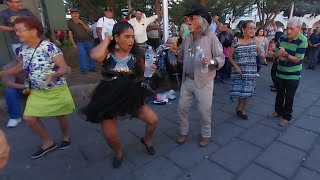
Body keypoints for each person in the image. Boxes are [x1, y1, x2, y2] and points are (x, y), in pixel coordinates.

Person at [81, 22, 159, 168]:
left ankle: (147, 140)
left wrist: (150, 69)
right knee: (110, 135)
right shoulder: (106, 53)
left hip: (132, 95)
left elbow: (144, 72)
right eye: (127, 37)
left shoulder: (136, 55)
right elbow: (95, 56)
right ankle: (118, 152)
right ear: (116, 37)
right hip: (107, 98)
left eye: (132, 37)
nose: (131, 41)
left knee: (153, 120)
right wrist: (106, 40)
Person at [0, 16, 75, 159]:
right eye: (16, 30)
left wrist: (53, 76)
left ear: (33, 31)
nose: (17, 33)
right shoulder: (23, 49)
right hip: (36, 91)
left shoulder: (49, 47)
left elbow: (64, 68)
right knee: (29, 118)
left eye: (20, 30)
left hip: (55, 90)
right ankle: (48, 142)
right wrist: (2, 73)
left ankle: (66, 136)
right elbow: (19, 68)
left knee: (60, 115)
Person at [173, 6, 225, 147]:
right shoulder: (188, 37)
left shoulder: (211, 37)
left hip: (204, 81)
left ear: (202, 22)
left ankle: (206, 134)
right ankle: (183, 131)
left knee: (204, 111)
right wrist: (175, 51)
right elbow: (181, 55)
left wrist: (211, 62)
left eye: (192, 18)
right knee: (182, 108)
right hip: (187, 79)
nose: (188, 22)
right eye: (188, 19)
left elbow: (221, 57)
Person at [269, 17, 308, 127]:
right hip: (280, 71)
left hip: (293, 75)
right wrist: (278, 55)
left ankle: (286, 117)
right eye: (287, 28)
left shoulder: (303, 40)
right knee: (279, 93)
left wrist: (285, 55)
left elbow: (297, 59)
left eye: (292, 29)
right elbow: (275, 53)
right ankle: (277, 111)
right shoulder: (282, 37)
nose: (288, 31)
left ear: (299, 29)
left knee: (289, 96)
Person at [229, 20, 264, 120]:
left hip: (250, 71)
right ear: (243, 29)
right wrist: (235, 66)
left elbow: (261, 53)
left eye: (254, 28)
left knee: (247, 92)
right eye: (250, 27)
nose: (253, 30)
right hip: (238, 71)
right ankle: (239, 106)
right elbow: (230, 57)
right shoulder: (235, 40)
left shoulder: (255, 41)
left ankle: (243, 109)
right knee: (240, 91)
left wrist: (262, 55)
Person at [68, 8, 96, 74]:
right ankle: (83, 70)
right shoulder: (69, 22)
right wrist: (73, 44)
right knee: (82, 55)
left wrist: (82, 23)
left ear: (78, 14)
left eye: (76, 13)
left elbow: (90, 30)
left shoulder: (83, 20)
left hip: (88, 40)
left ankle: (92, 68)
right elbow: (70, 34)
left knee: (91, 54)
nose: (75, 15)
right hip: (79, 42)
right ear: (71, 14)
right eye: (73, 13)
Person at [2, 58, 25, 128]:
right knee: (10, 92)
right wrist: (26, 87)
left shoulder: (36, 61)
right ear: (17, 57)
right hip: (21, 88)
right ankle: (15, 117)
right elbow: (9, 84)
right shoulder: (8, 67)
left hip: (36, 87)